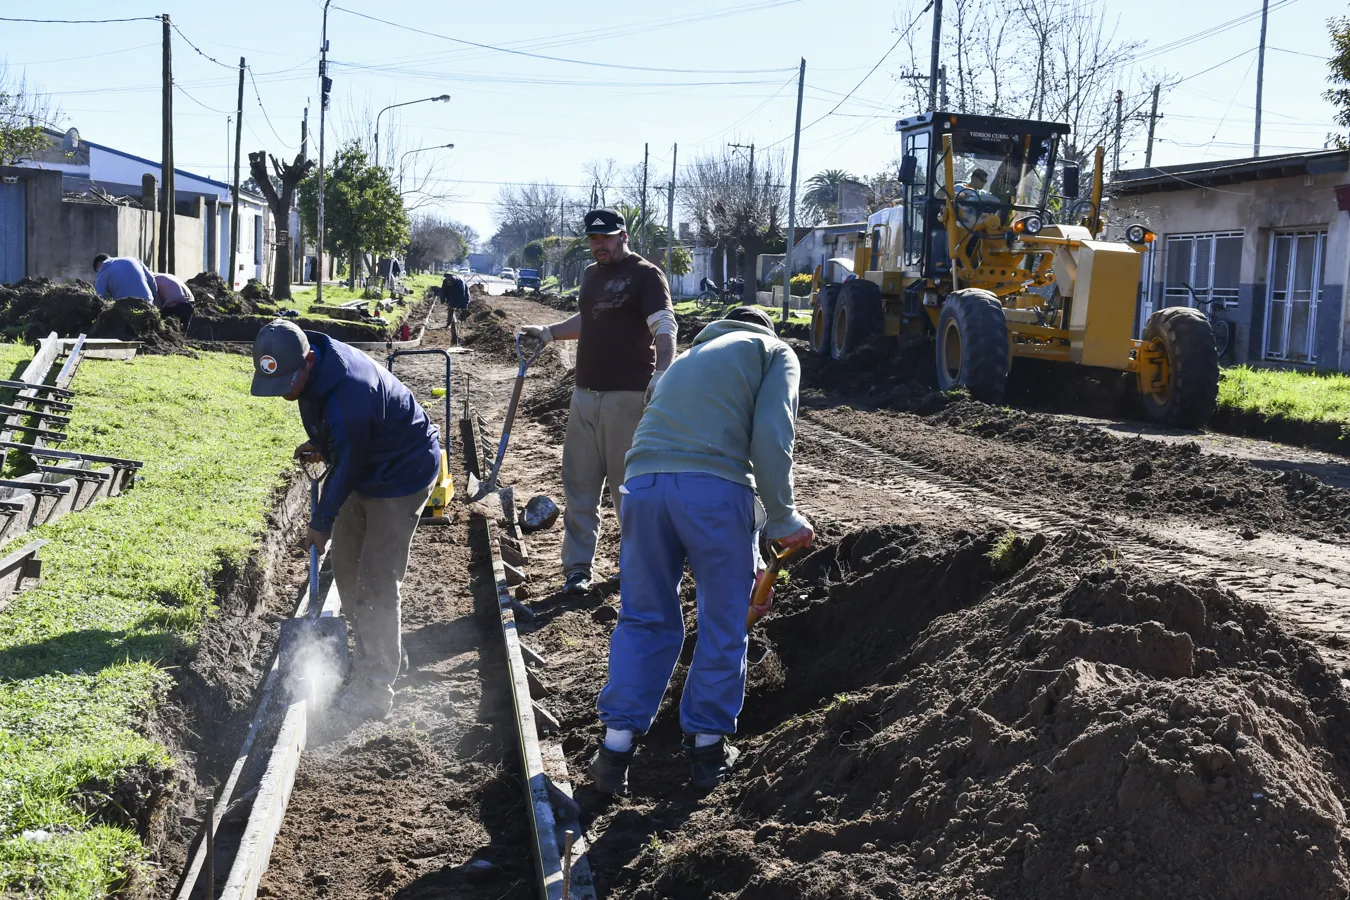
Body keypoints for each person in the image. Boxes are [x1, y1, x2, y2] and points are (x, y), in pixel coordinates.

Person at [588, 306, 815, 793]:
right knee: (723, 622)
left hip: (642, 488)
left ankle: (614, 748)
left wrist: (753, 555)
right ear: (765, 329)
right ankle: (708, 748)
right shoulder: (774, 352)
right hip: (714, 492)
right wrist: (783, 518)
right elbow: (771, 440)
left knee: (645, 615)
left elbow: (665, 431)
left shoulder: (688, 358)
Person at [249, 319, 441, 719]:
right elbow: (343, 443)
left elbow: (349, 461)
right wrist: (322, 442)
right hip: (366, 461)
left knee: (377, 583)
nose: (285, 392)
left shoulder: (349, 393)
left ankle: (374, 688)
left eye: (288, 383)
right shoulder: (311, 365)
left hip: (401, 474)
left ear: (309, 361)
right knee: (349, 572)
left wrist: (320, 522)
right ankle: (385, 652)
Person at [517, 208, 676, 596]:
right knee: (579, 486)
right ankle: (577, 570)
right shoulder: (591, 275)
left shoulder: (645, 275)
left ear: (623, 235)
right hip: (584, 396)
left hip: (628, 399)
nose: (598, 245)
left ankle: (638, 569)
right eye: (592, 238)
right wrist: (550, 332)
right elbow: (589, 319)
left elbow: (665, 327)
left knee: (629, 491)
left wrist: (662, 375)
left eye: (606, 237)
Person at [441, 269, 470, 344]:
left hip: (462, 296)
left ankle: (462, 322)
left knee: (463, 306)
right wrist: (443, 299)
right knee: (450, 308)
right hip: (452, 294)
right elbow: (443, 291)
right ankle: (449, 323)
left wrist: (457, 305)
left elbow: (462, 295)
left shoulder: (459, 283)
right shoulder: (445, 282)